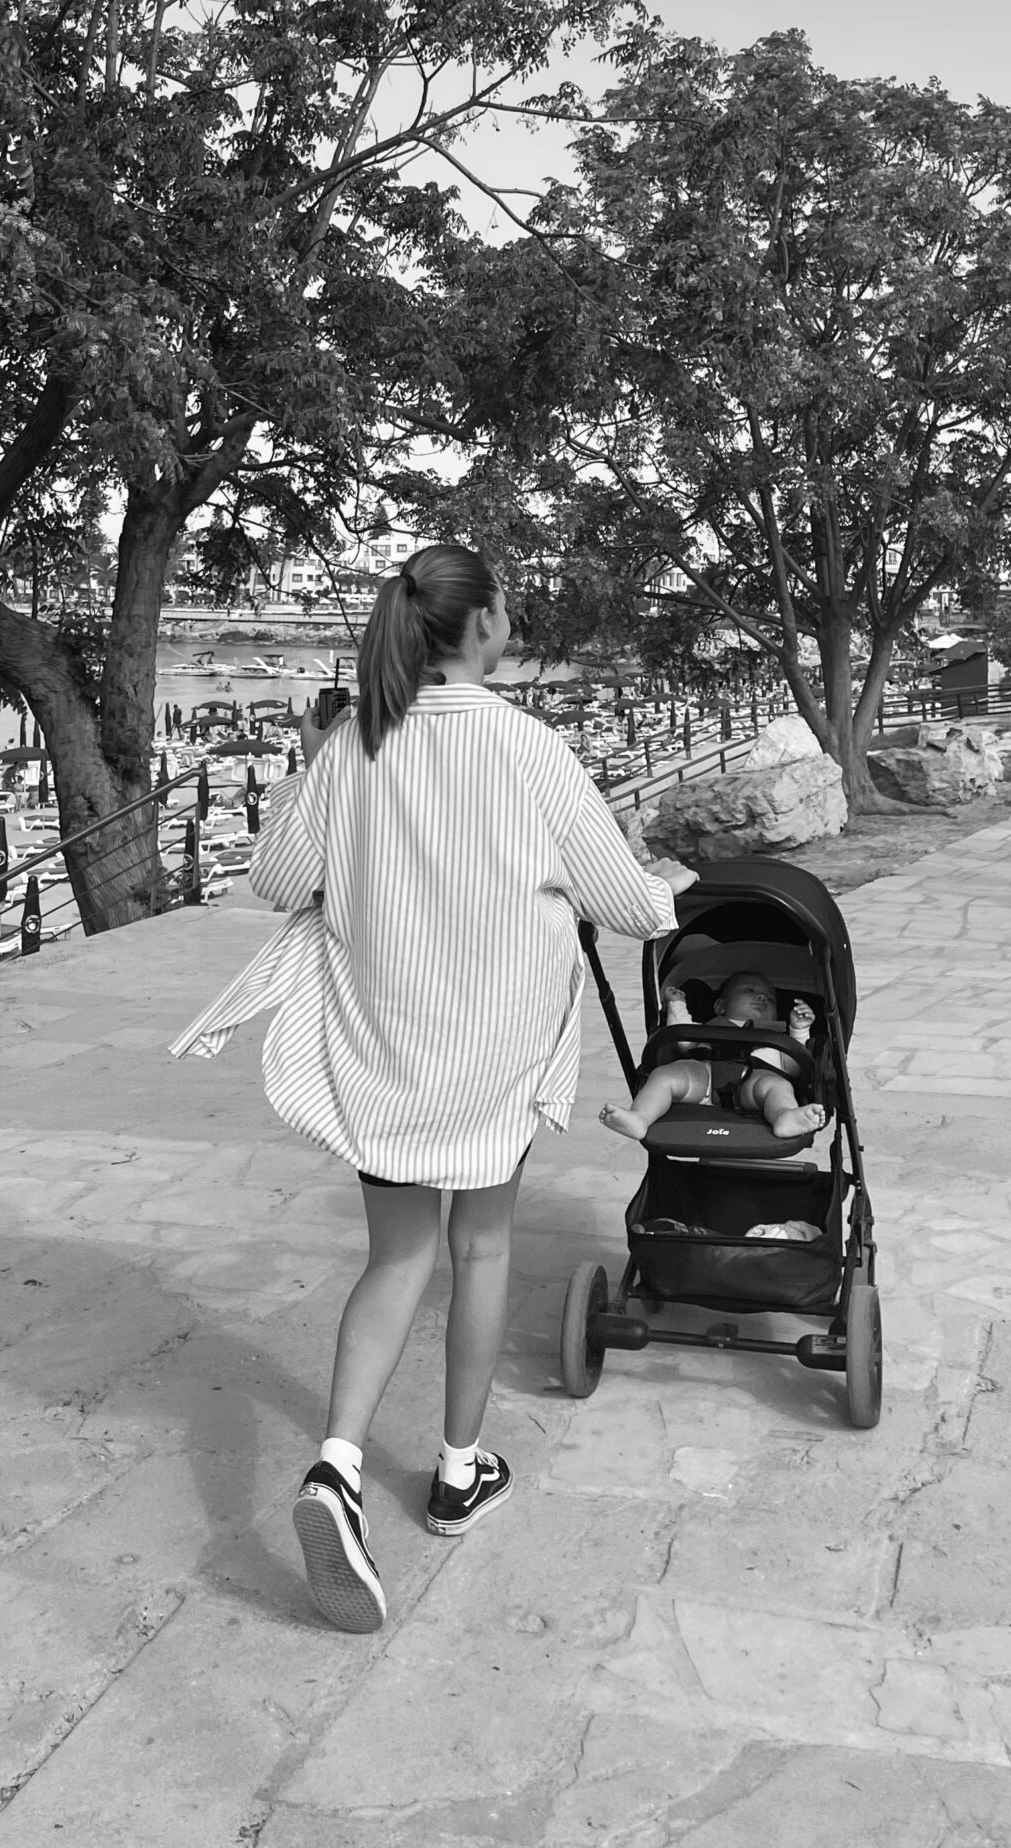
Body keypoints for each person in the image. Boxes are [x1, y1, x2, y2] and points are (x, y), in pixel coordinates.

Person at [221, 544, 678, 1633]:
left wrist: (309, 764)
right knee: (479, 1248)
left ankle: (334, 1465)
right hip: (492, 1050)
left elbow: (276, 880)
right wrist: (669, 890)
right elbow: (626, 902)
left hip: (389, 1044)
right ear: (478, 627)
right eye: (507, 600)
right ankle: (457, 1468)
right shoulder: (529, 750)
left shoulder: (352, 747)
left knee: (394, 1255)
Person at [600, 970, 825, 1145]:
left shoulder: (777, 1036)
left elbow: (796, 1068)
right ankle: (640, 1117)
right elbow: (680, 1037)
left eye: (770, 998)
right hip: (703, 1076)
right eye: (748, 990)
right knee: (665, 1075)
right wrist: (676, 1004)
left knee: (777, 1085)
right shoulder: (705, 1027)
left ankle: (784, 1116)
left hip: (753, 1084)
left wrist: (798, 1030)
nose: (761, 997)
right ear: (720, 1006)